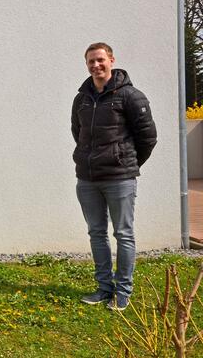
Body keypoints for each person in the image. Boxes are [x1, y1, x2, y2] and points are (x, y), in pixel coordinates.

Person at [71, 42, 157, 311]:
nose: (95, 66)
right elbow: (78, 132)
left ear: (111, 60)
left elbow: (147, 138)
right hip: (87, 178)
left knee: (123, 234)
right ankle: (103, 288)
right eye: (90, 62)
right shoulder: (81, 98)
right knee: (97, 233)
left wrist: (126, 162)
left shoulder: (131, 96)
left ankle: (123, 292)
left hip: (120, 178)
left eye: (100, 60)